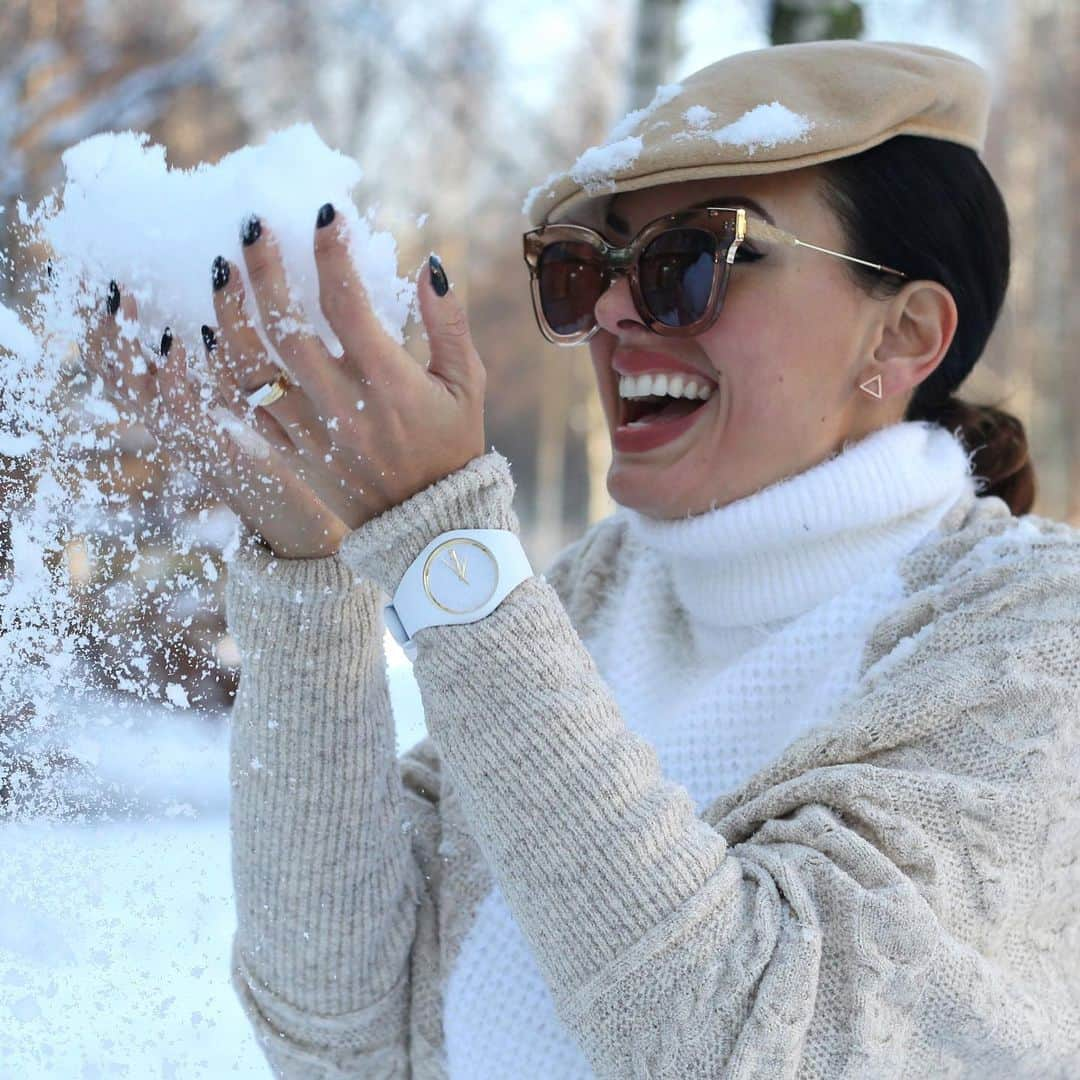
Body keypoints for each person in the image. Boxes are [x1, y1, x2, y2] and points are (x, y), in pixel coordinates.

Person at [83, 39, 1080, 1080]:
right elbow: (344, 1032)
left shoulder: (1036, 642)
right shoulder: (585, 598)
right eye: (584, 269)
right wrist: (310, 571)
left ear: (905, 335)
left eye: (687, 263)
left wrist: (446, 546)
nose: (611, 313)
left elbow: (742, 1043)